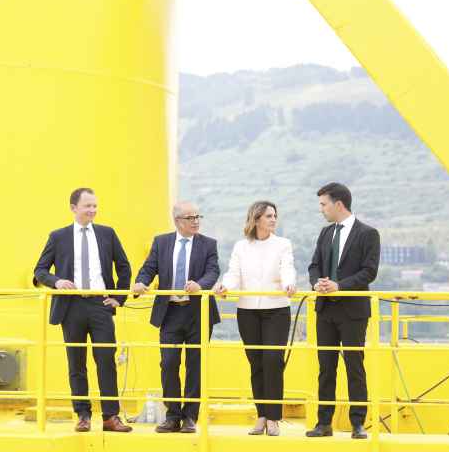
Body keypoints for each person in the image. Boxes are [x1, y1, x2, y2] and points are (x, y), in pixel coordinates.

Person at [33, 187, 133, 432]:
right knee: (76, 363)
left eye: (95, 206)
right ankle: (83, 415)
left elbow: (124, 266)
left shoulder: (107, 234)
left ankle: (111, 416)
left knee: (106, 360)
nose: (93, 210)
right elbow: (40, 270)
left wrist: (119, 298)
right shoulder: (58, 237)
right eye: (88, 206)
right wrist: (57, 282)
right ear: (73, 208)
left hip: (100, 304)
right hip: (72, 306)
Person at [132, 202, 221, 434]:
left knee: (195, 365)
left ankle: (190, 417)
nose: (195, 221)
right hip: (170, 312)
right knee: (169, 363)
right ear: (177, 221)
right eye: (190, 217)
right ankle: (172, 415)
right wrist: (141, 282)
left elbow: (213, 271)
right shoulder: (161, 242)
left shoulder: (208, 244)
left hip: (198, 312)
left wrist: (199, 285)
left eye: (197, 216)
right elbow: (149, 268)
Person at [213, 201, 296, 437]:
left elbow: (287, 268)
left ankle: (273, 418)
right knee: (256, 362)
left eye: (275, 216)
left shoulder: (283, 244)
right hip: (248, 311)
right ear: (256, 219)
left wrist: (290, 283)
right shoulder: (242, 246)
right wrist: (224, 286)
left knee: (272, 360)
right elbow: (233, 273)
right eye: (268, 216)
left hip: (276, 309)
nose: (273, 219)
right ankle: (261, 415)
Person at [305, 182, 380, 440]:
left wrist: (340, 286)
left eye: (323, 204)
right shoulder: (326, 233)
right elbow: (314, 265)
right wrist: (317, 282)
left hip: (352, 312)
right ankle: (323, 423)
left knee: (354, 366)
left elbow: (369, 272)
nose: (321, 210)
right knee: (326, 368)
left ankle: (358, 423)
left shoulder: (368, 234)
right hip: (325, 310)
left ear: (339, 204)